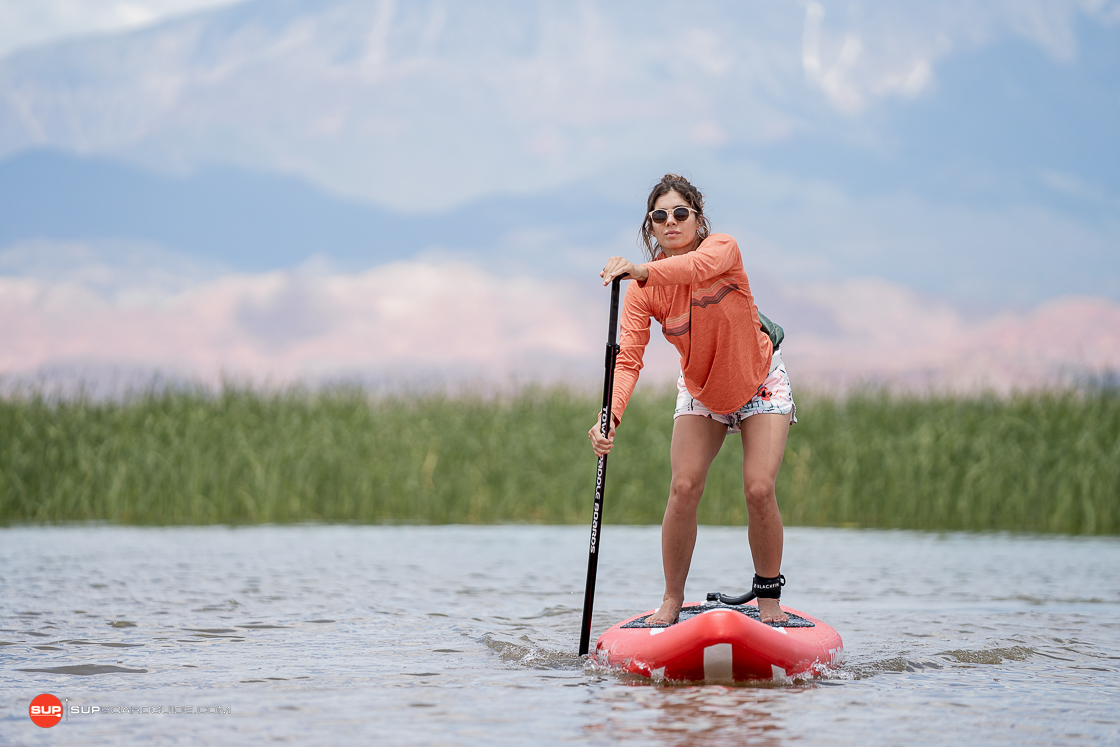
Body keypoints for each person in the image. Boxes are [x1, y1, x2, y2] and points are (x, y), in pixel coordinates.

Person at [589, 174, 796, 625]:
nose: (671, 222)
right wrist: (611, 417)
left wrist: (641, 269)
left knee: (759, 488)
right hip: (702, 390)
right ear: (651, 227)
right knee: (683, 488)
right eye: (659, 216)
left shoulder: (722, 250)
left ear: (698, 220)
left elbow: (694, 269)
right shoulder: (644, 292)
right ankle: (671, 601)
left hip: (759, 380)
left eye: (680, 213)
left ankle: (769, 603)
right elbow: (627, 363)